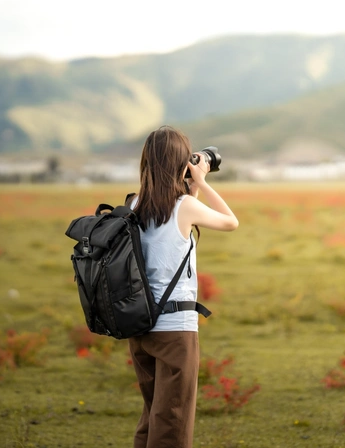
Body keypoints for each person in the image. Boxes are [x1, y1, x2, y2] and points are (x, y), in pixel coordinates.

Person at [128, 125, 239, 448]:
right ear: (181, 163)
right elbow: (230, 221)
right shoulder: (184, 207)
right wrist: (202, 181)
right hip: (175, 329)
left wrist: (190, 191)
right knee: (172, 420)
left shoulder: (135, 204)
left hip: (140, 327)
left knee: (153, 416)